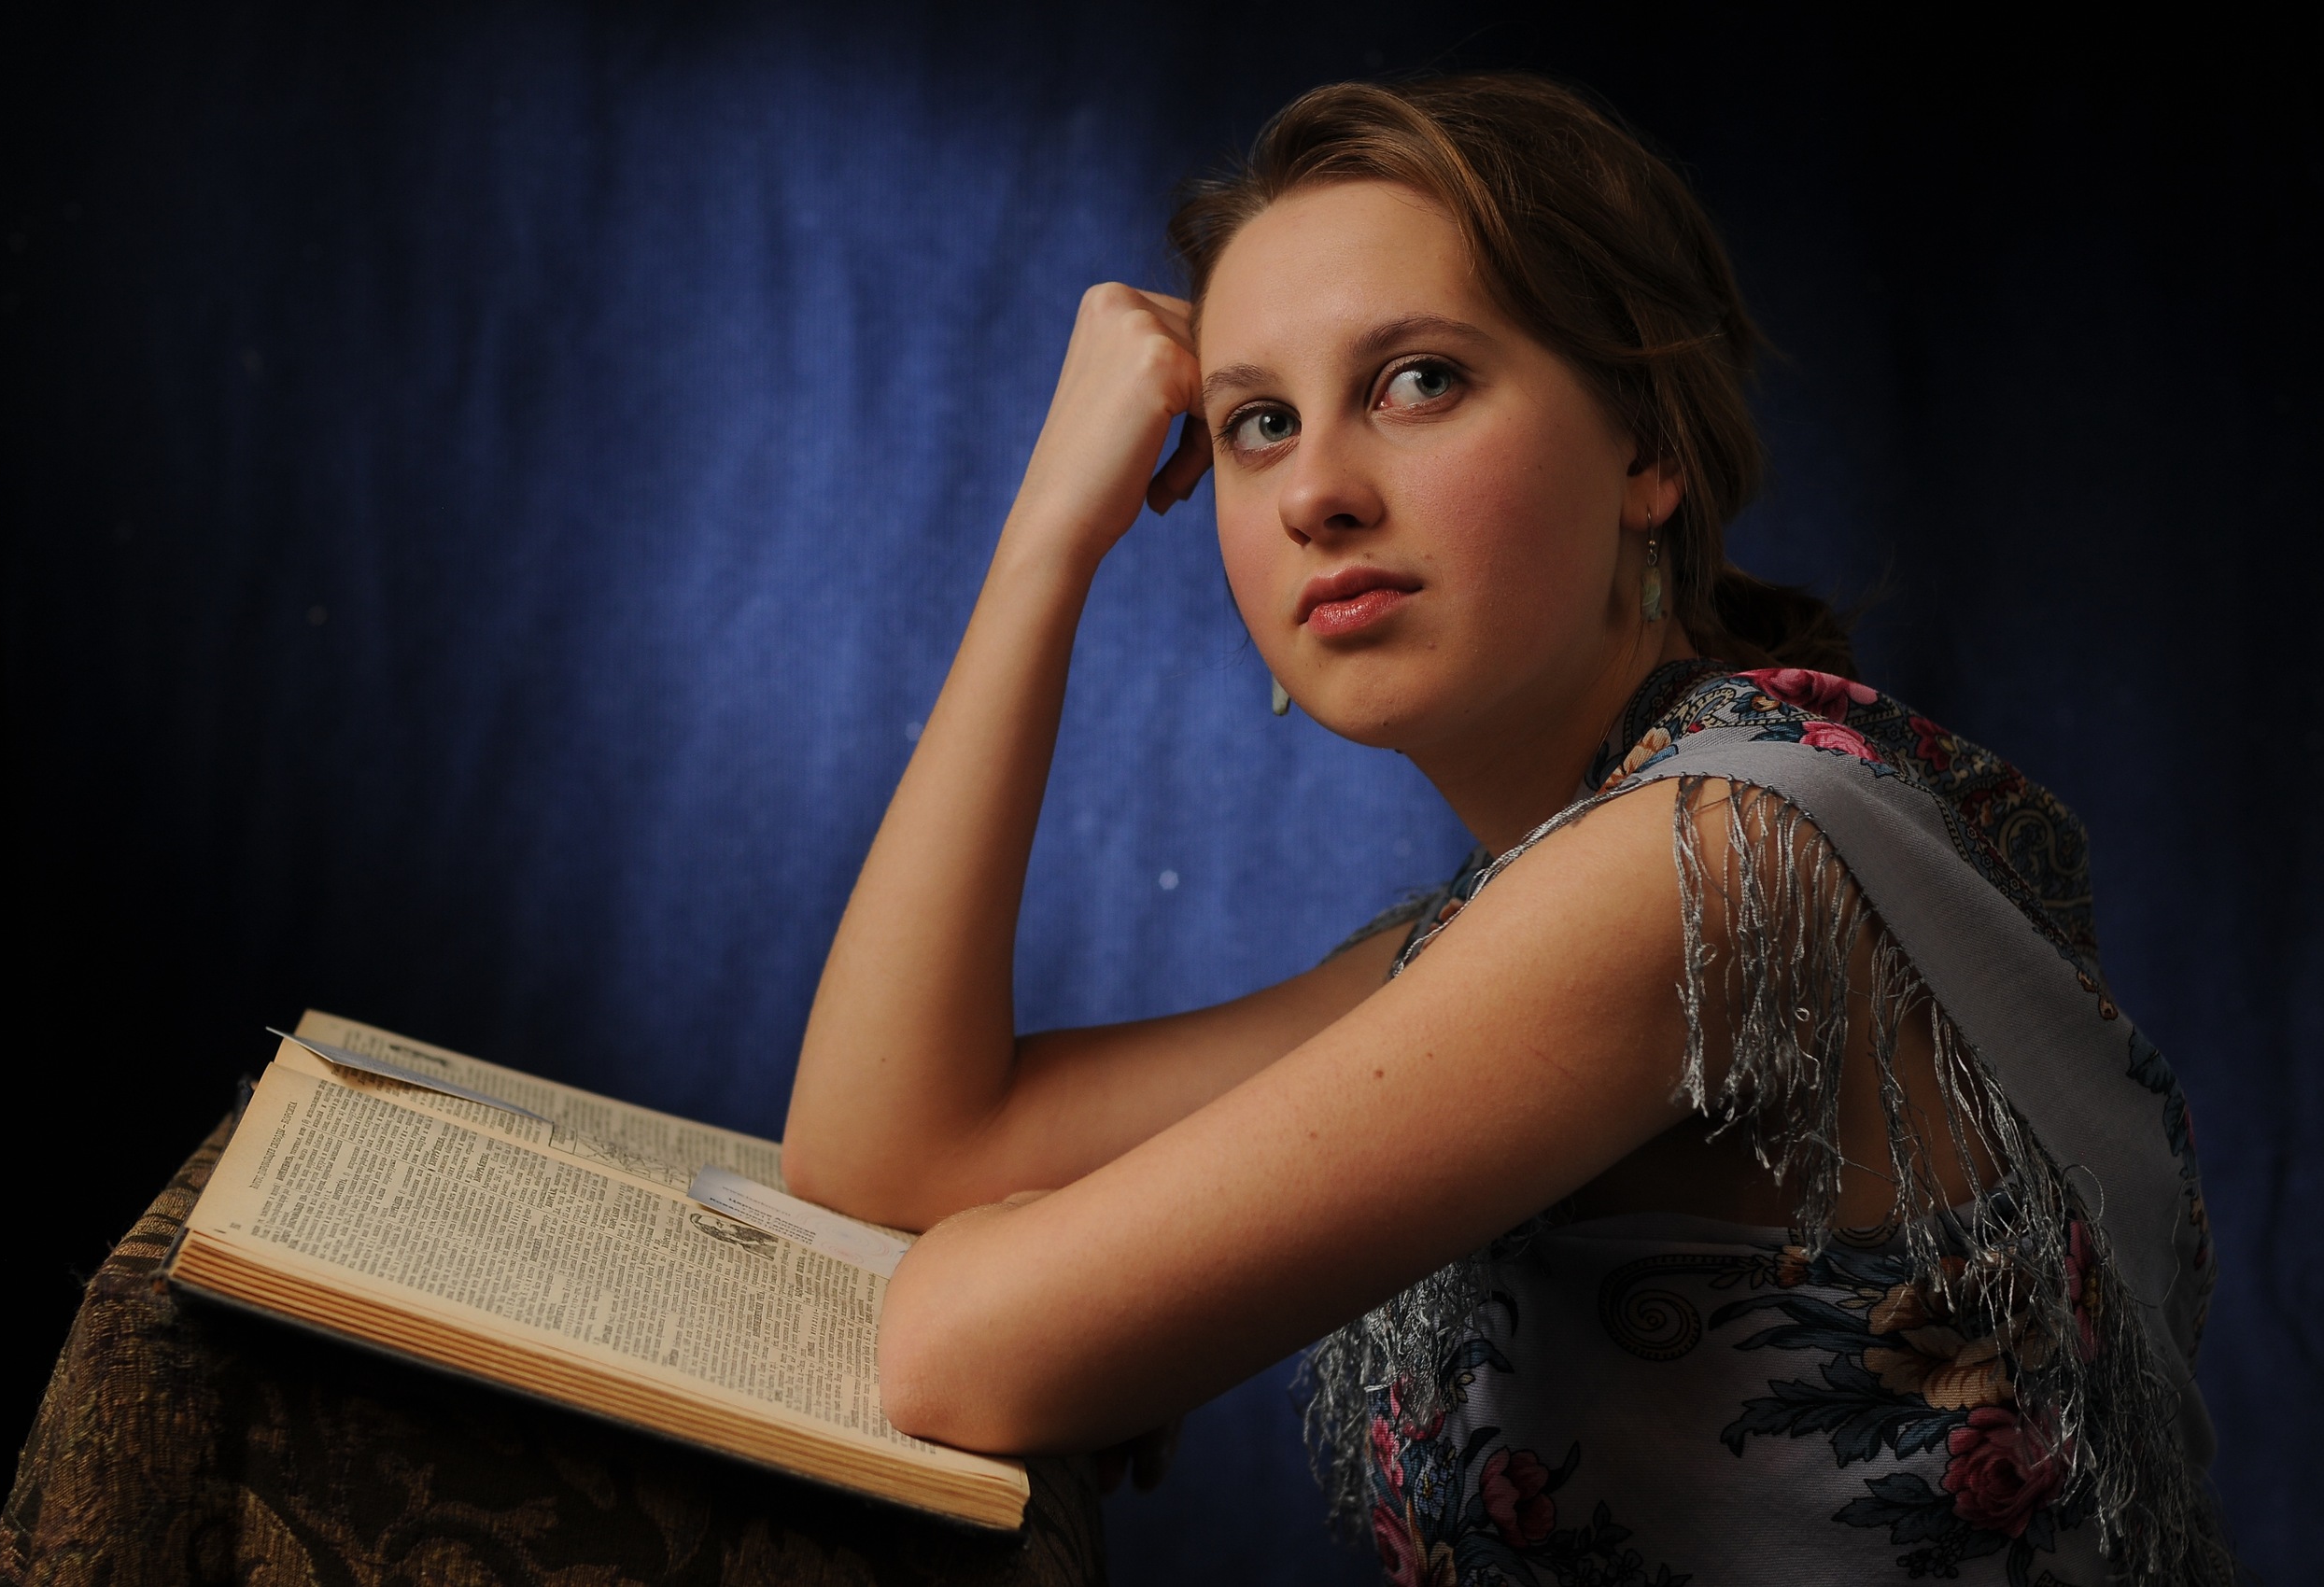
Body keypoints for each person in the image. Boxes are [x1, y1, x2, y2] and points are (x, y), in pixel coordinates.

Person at [781, 73, 2229, 1586]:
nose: (1316, 493)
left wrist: (1077, 1278)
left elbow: (958, 1350)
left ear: (1646, 454)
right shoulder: (1522, 903)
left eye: (1418, 381)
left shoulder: (1710, 867)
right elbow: (887, 1153)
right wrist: (1047, 539)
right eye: (1257, 423)